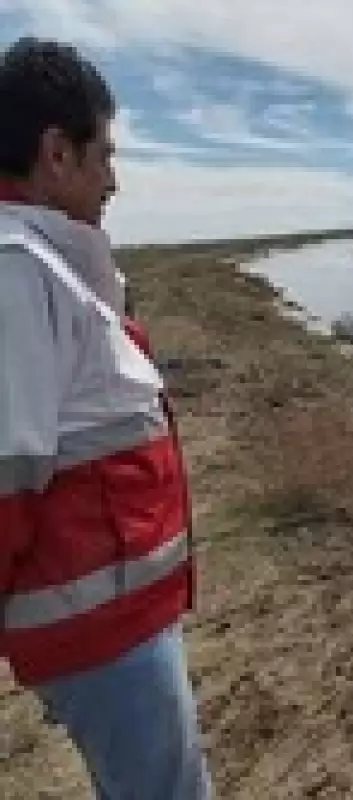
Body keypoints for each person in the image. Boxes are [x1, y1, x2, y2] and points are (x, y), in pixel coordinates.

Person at [0, 37, 210, 798]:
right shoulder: (15, 272)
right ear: (57, 153)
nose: (114, 179)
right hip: (101, 633)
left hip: (114, 621)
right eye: (105, 154)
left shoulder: (44, 264)